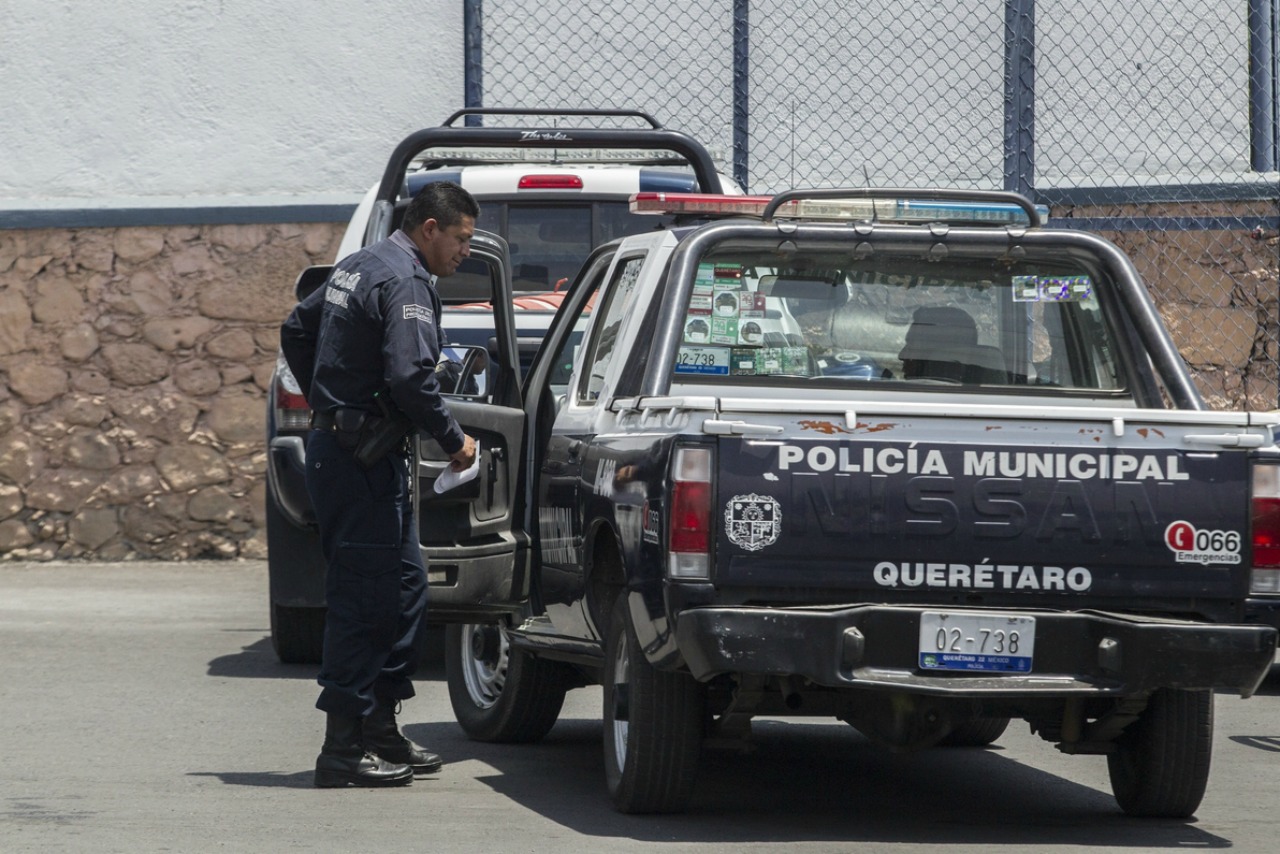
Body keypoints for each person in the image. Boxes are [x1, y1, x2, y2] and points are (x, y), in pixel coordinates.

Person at [280, 181, 480, 788]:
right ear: (430, 229)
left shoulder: (362, 263)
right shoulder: (406, 280)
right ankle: (341, 749)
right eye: (461, 239)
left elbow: (297, 329)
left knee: (406, 587)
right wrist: (454, 441)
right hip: (357, 460)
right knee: (364, 600)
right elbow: (411, 377)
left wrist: (333, 400)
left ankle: (379, 728)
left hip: (355, 454)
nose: (465, 251)